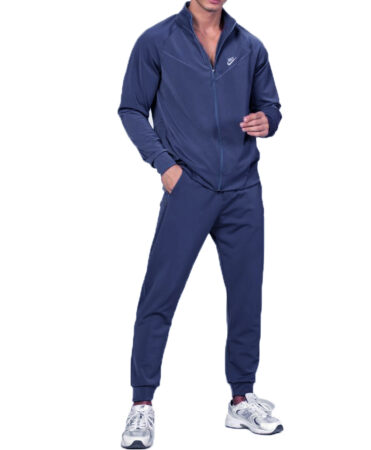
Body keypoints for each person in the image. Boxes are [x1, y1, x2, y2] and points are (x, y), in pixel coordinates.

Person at [118, 1, 283, 447]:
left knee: (246, 297)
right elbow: (131, 109)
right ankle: (141, 404)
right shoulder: (156, 42)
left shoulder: (250, 46)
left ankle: (241, 398)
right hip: (188, 188)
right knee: (160, 293)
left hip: (243, 191)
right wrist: (164, 165)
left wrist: (267, 121)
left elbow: (271, 106)